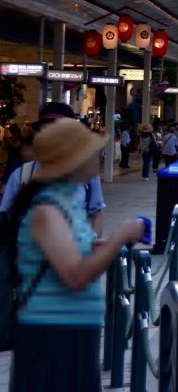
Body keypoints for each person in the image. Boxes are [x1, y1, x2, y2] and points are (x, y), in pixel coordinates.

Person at [9, 118, 146, 392]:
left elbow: (67, 255)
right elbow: (75, 275)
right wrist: (121, 235)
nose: (97, 156)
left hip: (74, 329)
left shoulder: (67, 199)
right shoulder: (47, 208)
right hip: (53, 334)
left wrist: (99, 246)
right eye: (90, 151)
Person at [0, 103, 106, 236]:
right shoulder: (21, 175)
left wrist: (92, 246)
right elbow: (5, 220)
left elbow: (96, 215)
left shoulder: (87, 175)